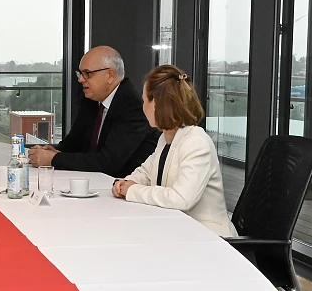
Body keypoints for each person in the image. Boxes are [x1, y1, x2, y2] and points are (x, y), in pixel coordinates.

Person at [112, 65, 237, 237]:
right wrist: (127, 182)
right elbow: (146, 172)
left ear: (156, 104)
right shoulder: (166, 138)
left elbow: (182, 199)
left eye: (144, 101)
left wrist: (132, 190)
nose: (143, 107)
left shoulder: (196, 141)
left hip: (208, 238)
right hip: (179, 231)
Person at [28, 46, 159, 178]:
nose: (80, 79)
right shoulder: (91, 99)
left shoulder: (132, 106)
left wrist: (54, 159)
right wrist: (54, 151)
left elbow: (108, 163)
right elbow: (73, 143)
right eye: (80, 73)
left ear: (110, 75)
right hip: (93, 181)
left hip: (122, 184)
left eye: (88, 73)